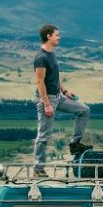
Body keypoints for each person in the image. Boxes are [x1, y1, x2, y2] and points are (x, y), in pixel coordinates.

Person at [33, 24, 91, 178]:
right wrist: (46, 104)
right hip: (47, 98)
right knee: (44, 135)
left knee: (84, 110)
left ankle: (75, 144)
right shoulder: (41, 57)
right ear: (48, 36)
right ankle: (38, 168)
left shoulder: (51, 54)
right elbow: (40, 82)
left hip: (58, 96)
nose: (59, 37)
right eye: (57, 35)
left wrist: (65, 91)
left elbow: (55, 77)